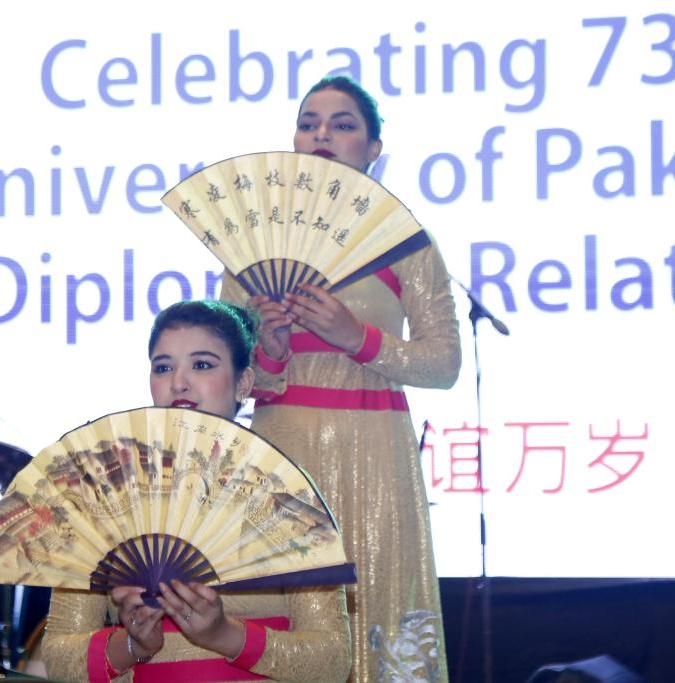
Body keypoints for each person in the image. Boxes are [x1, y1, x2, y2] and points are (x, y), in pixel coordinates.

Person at [220, 75, 462, 683]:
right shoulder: (251, 241)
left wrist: (357, 338)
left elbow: (444, 364)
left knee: (377, 604)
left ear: (374, 148)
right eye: (309, 123)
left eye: (343, 124)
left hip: (375, 451)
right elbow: (230, 376)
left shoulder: (405, 240)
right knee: (287, 619)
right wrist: (270, 349)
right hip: (281, 449)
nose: (322, 134)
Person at [41, 299, 353, 682]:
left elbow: (334, 662)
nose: (179, 382)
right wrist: (134, 645)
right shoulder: (106, 496)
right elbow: (57, 658)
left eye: (202, 365)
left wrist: (226, 635)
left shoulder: (283, 490)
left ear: (244, 383)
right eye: (163, 367)